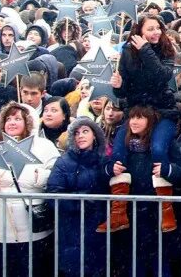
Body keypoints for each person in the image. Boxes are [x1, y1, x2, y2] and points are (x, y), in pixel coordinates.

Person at [106, 14, 179, 232]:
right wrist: (117, 86)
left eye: (158, 28)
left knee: (157, 148)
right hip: (137, 112)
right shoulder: (127, 53)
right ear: (139, 32)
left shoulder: (167, 50)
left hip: (162, 111)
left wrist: (146, 49)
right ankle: (118, 212)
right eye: (150, 29)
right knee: (119, 150)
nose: (155, 32)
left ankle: (167, 210)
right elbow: (125, 91)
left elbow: (161, 76)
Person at [102, 104, 181, 276]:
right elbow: (103, 170)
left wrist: (167, 170)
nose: (134, 122)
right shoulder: (123, 146)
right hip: (130, 211)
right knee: (133, 261)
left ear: (151, 121)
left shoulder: (165, 144)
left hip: (157, 212)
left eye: (140, 117)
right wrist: (111, 170)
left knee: (159, 260)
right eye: (132, 117)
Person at [0, 102, 60, 277]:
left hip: (32, 226)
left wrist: (33, 176)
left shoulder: (44, 147)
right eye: (8, 119)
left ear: (28, 122)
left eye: (17, 118)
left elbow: (55, 176)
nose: (12, 122)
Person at [45, 118, 108, 277]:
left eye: (85, 131)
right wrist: (81, 200)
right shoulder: (63, 162)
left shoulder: (104, 162)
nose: (80, 136)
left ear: (95, 135)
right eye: (76, 133)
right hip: (71, 228)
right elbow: (53, 195)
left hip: (99, 227)